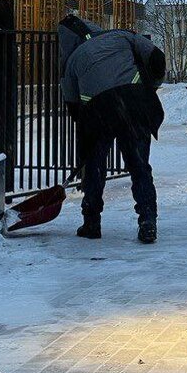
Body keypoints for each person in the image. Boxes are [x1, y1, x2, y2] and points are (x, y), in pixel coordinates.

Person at [58, 13, 166, 244]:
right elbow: (157, 57)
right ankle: (148, 221)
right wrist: (150, 88)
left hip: (98, 111)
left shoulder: (73, 60)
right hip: (134, 103)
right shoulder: (124, 35)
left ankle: (91, 222)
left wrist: (89, 139)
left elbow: (73, 105)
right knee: (139, 166)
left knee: (95, 168)